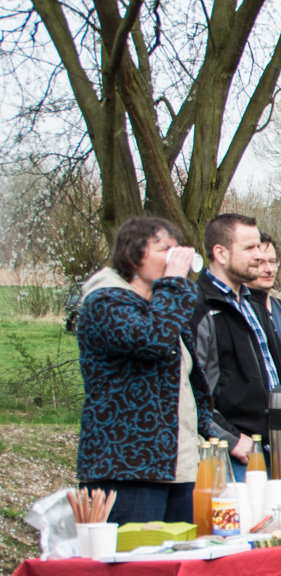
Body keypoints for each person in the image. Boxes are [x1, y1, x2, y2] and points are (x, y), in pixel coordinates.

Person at [76, 217, 209, 526]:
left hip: (177, 466)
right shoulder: (105, 301)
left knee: (178, 568)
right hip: (128, 468)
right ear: (133, 255)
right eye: (165, 249)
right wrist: (175, 281)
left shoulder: (160, 306)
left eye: (178, 250)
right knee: (135, 570)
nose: (177, 258)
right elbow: (153, 342)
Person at [192, 213, 281, 482]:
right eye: (249, 248)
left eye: (259, 246)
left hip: (274, 450)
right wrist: (232, 439)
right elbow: (193, 393)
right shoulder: (198, 308)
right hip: (232, 455)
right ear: (220, 253)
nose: (259, 255)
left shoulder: (254, 304)